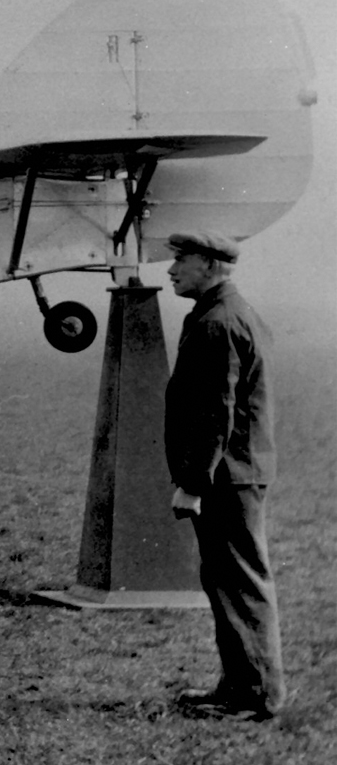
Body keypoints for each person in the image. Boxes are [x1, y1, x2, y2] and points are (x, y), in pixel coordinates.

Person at [162, 230, 283, 721]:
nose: (171, 270)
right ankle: (239, 685)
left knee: (238, 582)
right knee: (228, 581)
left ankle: (254, 696)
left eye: (182, 260)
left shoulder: (219, 322)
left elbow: (217, 412)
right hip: (235, 472)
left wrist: (193, 484)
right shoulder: (226, 312)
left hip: (228, 476)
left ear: (210, 266)